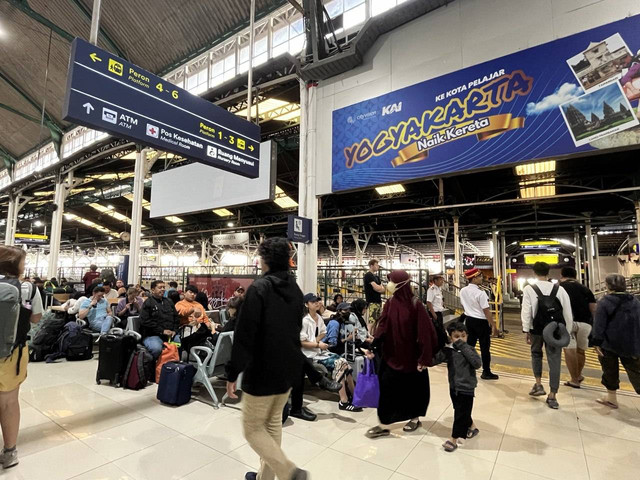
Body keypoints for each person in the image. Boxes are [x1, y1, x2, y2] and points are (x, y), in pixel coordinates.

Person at [225, 238, 309, 480]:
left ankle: (289, 472)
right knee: (272, 424)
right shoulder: (295, 289)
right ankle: (265, 477)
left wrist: (232, 373)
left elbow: (244, 336)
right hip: (287, 370)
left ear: (265, 260)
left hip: (262, 371)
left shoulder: (259, 288)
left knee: (252, 429)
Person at [365, 270, 438, 438]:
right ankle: (384, 423)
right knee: (387, 388)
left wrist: (424, 358)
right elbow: (383, 325)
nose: (388, 285)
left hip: (412, 358)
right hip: (392, 355)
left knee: (412, 390)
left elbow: (426, 333)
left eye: (391, 282)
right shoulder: (390, 303)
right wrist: (374, 343)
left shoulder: (415, 304)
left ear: (401, 285)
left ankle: (414, 418)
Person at [0, 246, 43, 469]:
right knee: (8, 402)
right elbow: (36, 319)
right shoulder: (28, 289)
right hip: (12, 353)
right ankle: (9, 452)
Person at [294, 294, 356, 419]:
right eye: (313, 302)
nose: (317, 303)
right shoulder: (305, 320)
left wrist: (316, 341)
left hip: (318, 350)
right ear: (306, 304)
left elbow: (323, 332)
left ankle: (355, 396)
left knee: (344, 362)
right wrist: (316, 344)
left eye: (317, 301)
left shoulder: (318, 318)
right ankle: (343, 401)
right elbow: (301, 342)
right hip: (309, 354)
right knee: (339, 363)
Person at [521, 262, 573, 409]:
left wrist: (526, 330)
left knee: (536, 354)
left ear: (534, 273)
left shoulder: (529, 289)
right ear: (548, 273)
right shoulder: (559, 289)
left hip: (537, 329)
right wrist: (566, 331)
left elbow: (526, 311)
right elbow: (567, 312)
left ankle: (538, 384)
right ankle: (553, 395)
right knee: (554, 360)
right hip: (555, 330)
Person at [592, 274, 640, 408]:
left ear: (607, 286)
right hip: (632, 343)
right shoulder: (635, 301)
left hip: (609, 344)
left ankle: (612, 399)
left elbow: (599, 325)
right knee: (636, 372)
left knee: (610, 371)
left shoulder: (604, 301)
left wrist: (596, 342)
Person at [434, 322, 482, 452]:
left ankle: (453, 439)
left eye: (463, 336)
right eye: (456, 336)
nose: (460, 339)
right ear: (450, 337)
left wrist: (462, 345)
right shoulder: (449, 350)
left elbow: (477, 363)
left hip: (467, 388)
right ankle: (472, 427)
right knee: (461, 410)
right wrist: (423, 363)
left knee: (460, 414)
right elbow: (436, 359)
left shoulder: (470, 349)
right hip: (454, 386)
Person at [459, 268, 500, 380]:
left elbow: (464, 305)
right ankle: (486, 372)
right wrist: (494, 325)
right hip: (481, 322)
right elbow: (486, 311)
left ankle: (465, 369)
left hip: (469, 321)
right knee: (485, 348)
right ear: (474, 278)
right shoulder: (480, 293)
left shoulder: (462, 291)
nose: (482, 278)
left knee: (469, 346)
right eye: (480, 276)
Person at [560, 266, 597, 388]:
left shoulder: (560, 288)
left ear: (562, 275)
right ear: (575, 276)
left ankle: (574, 379)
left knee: (569, 350)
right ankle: (579, 375)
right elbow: (593, 308)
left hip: (568, 323)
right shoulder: (585, 289)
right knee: (580, 350)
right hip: (585, 323)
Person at [139, 280, 180, 359]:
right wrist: (162, 331)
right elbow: (144, 321)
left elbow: (176, 318)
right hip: (152, 335)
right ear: (153, 290)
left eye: (164, 287)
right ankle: (153, 368)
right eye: (160, 287)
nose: (162, 289)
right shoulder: (148, 303)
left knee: (179, 345)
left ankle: (173, 368)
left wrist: (174, 330)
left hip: (170, 335)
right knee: (156, 349)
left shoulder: (169, 301)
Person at [364, 259, 385, 331]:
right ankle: (368, 336)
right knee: (371, 321)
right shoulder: (368, 275)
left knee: (376, 320)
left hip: (378, 301)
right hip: (372, 301)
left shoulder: (377, 277)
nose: (378, 266)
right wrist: (380, 288)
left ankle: (374, 336)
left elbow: (382, 289)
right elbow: (376, 288)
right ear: (371, 266)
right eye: (376, 265)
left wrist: (380, 288)